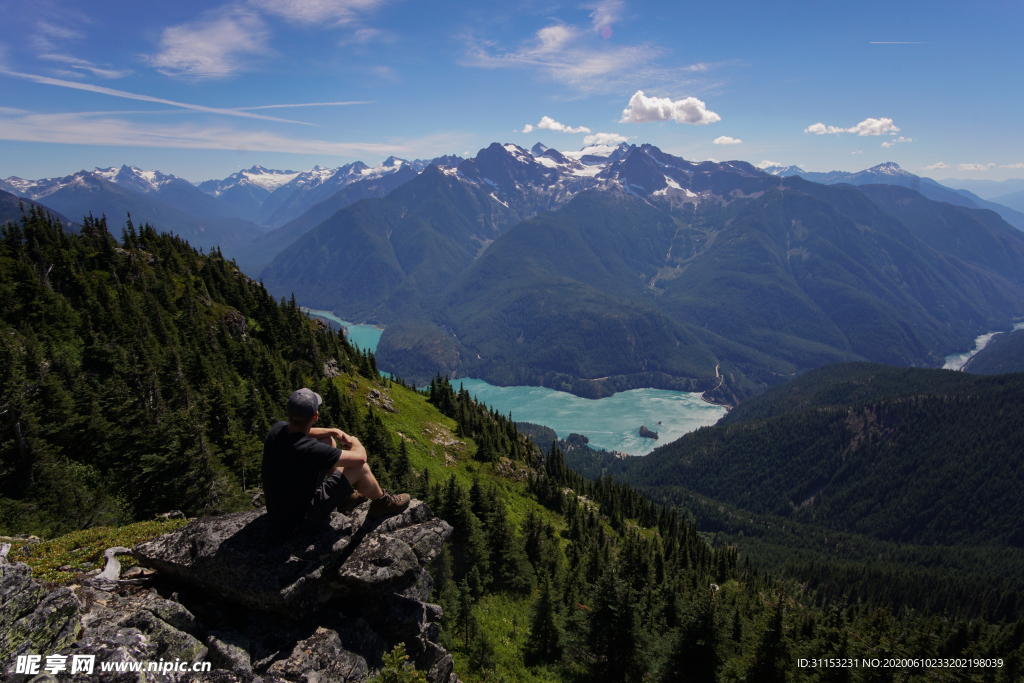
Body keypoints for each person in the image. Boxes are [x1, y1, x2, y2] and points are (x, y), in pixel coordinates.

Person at [262, 387, 410, 534]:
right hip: (300, 522)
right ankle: (382, 503)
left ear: (288, 413)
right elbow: (360, 459)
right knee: (360, 468)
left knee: (328, 440)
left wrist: (334, 431)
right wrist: (355, 442)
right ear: (316, 416)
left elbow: (304, 431)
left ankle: (346, 497)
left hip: (282, 514)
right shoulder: (309, 449)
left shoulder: (277, 429)